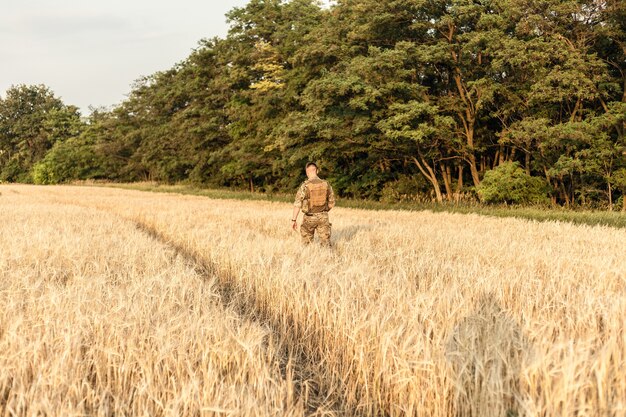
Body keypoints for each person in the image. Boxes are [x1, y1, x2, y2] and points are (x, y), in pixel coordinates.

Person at [291, 162, 335, 246]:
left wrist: (294, 220)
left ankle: (307, 258)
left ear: (307, 172)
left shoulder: (305, 185)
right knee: (326, 244)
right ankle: (328, 258)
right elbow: (331, 202)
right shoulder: (326, 184)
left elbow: (297, 204)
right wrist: (323, 211)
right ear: (317, 171)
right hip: (323, 216)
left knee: (306, 244)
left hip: (309, 217)